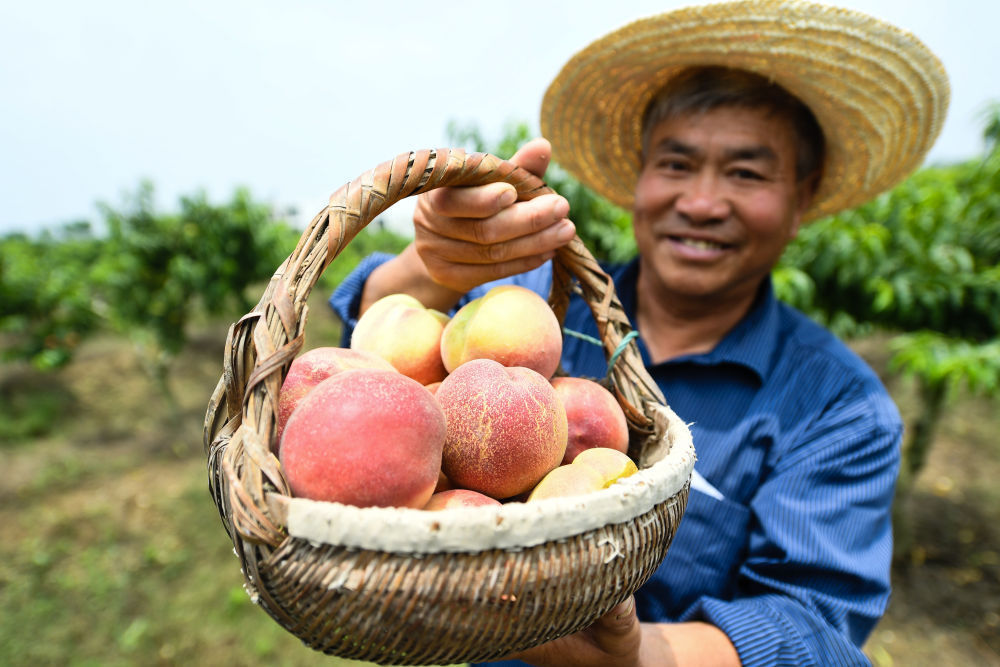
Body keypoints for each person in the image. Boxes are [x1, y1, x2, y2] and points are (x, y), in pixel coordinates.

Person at [329, 1, 949, 665]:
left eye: (746, 172)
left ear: (803, 197)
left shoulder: (839, 409)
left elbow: (810, 628)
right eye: (676, 164)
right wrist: (433, 267)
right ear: (639, 179)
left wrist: (638, 655)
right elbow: (375, 359)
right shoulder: (536, 306)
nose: (702, 202)